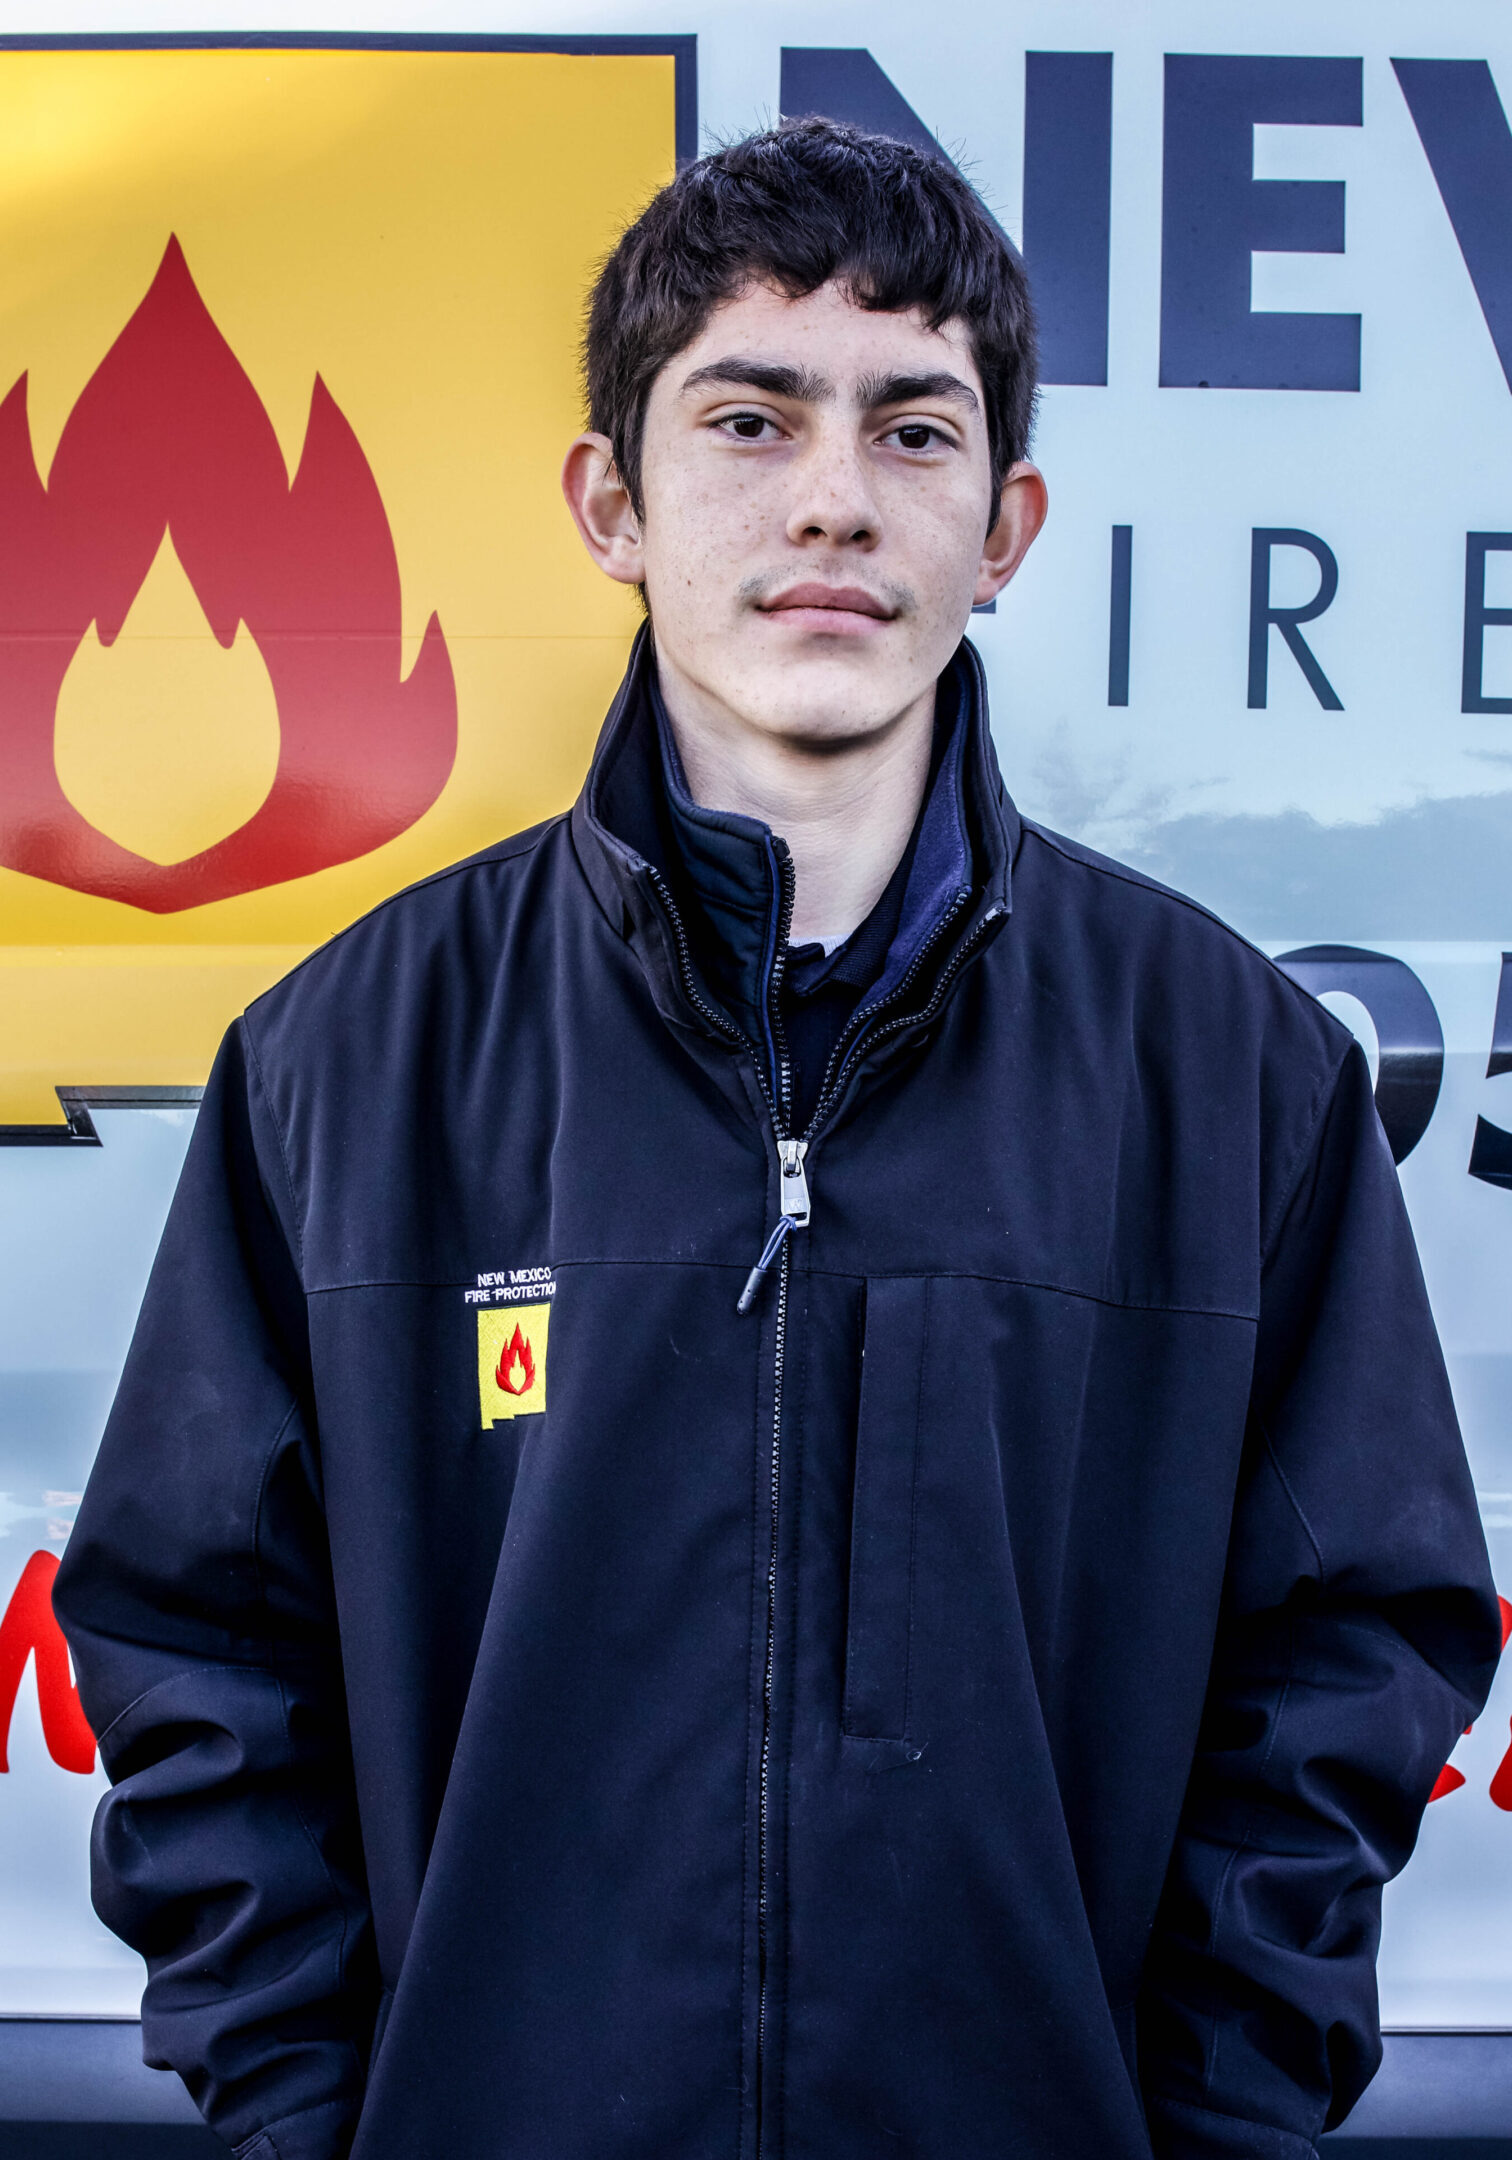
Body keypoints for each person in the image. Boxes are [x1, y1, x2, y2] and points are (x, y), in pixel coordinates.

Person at [55, 119, 1500, 2160]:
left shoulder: (1230, 1072)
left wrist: (1205, 2117)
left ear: (1003, 525)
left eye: (914, 433)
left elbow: (1361, 1642)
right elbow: (195, 1640)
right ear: (612, 500)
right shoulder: (349, 1065)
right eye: (748, 416)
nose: (833, 495)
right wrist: (319, 2118)